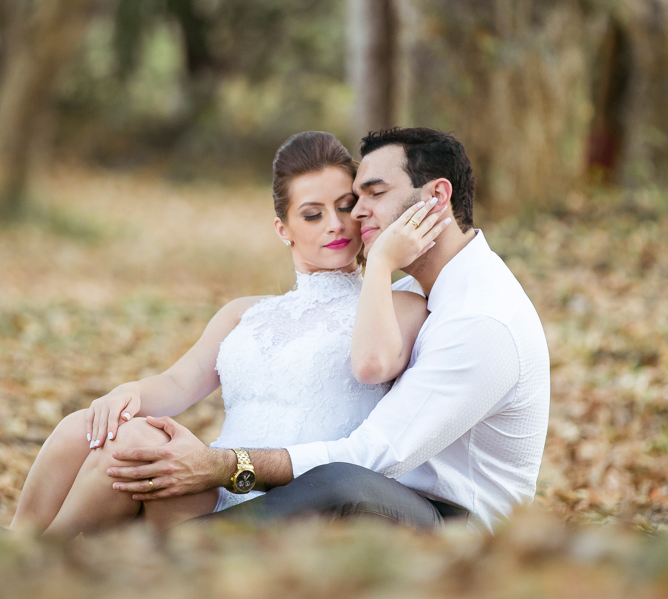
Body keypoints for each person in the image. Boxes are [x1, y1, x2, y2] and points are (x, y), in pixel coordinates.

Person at [106, 127, 550, 533]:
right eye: (356, 197)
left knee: (342, 484)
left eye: (374, 194)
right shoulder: (412, 290)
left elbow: (374, 456)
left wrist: (223, 465)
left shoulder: (480, 320)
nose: (357, 212)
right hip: (386, 495)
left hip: (458, 529)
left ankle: (181, 546)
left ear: (436, 196)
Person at [9, 131, 443, 535]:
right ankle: (17, 544)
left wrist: (381, 263)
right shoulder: (243, 313)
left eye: (345, 207)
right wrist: (128, 393)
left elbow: (372, 365)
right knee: (85, 425)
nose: (335, 224)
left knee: (136, 442)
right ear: (284, 230)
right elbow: (177, 384)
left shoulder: (401, 304)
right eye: (312, 214)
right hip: (211, 481)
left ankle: (35, 561)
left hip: (285, 501)